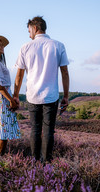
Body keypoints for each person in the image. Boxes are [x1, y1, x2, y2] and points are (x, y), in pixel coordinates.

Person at [13, 16, 69, 163]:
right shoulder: (58, 45)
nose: (28, 33)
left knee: (35, 130)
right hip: (51, 95)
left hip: (32, 95)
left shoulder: (25, 47)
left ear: (35, 28)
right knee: (49, 131)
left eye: (29, 30)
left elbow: (19, 75)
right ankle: (46, 164)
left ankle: (34, 162)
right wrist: (66, 96)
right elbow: (64, 72)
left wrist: (16, 96)